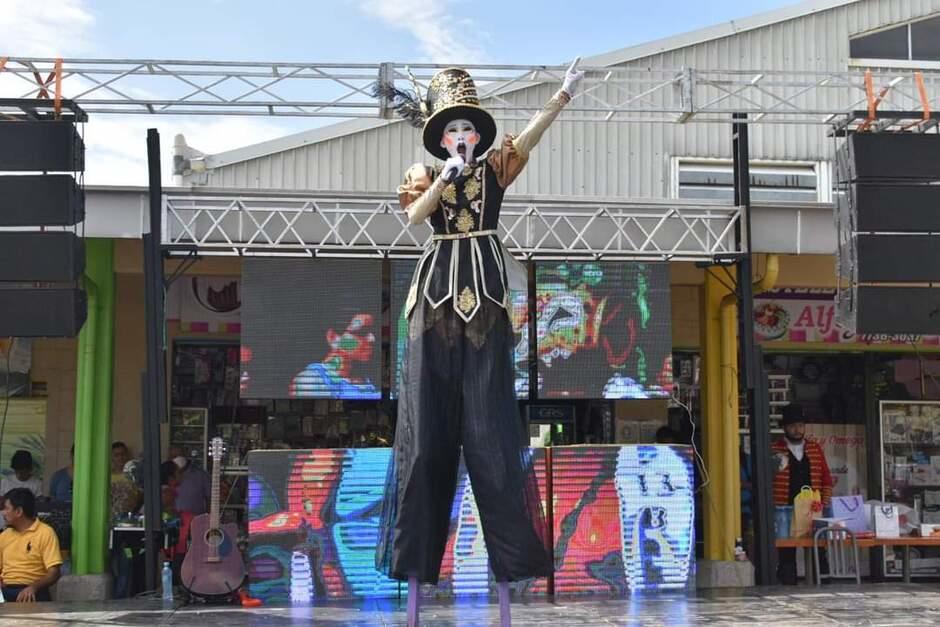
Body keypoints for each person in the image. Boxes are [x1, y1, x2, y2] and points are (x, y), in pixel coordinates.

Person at [374, 59, 583, 624]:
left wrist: (561, 97)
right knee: (425, 434)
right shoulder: (426, 172)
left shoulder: (494, 170)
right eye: (452, 130)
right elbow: (414, 219)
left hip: (485, 291)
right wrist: (442, 178)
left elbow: (530, 137)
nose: (462, 138)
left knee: (491, 428)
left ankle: (509, 577)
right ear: (441, 137)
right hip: (437, 290)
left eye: (468, 129)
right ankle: (416, 573)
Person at [772, 403, 833, 584]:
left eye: (800, 425)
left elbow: (826, 477)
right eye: (792, 426)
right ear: (785, 428)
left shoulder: (814, 448)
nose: (797, 430)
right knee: (786, 550)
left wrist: (825, 502)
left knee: (818, 547)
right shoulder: (775, 449)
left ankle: (821, 583)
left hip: (812, 507)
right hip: (784, 507)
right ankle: (787, 584)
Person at [0, 488, 62, 602]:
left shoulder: (45, 532)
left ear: (18, 511)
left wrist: (34, 587)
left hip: (34, 591)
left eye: (6, 508)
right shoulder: (4, 535)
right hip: (6, 591)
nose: (3, 513)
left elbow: (54, 573)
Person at [173, 456, 210, 558]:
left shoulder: (200, 475)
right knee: (176, 555)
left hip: (196, 522)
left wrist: (209, 519)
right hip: (174, 524)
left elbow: (209, 498)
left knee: (197, 554)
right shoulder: (168, 477)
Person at [110, 442, 140, 519]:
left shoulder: (133, 475)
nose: (120, 457)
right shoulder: (107, 477)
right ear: (111, 457)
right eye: (116, 455)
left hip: (131, 516)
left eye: (123, 454)